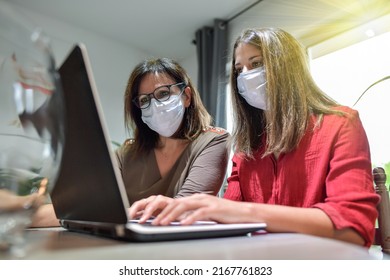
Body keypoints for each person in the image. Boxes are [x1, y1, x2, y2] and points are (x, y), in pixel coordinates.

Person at [129, 27, 380, 247]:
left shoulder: (341, 124)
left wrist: (242, 211)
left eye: (256, 64)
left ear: (287, 66)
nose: (245, 75)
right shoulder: (247, 149)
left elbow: (353, 228)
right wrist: (176, 210)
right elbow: (223, 217)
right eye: (239, 69)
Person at [31, 57, 230, 227]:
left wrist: (108, 214)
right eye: (144, 100)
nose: (155, 105)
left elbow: (184, 210)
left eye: (163, 93)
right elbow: (85, 207)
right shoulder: (127, 152)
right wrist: (19, 210)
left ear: (186, 96)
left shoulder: (213, 140)